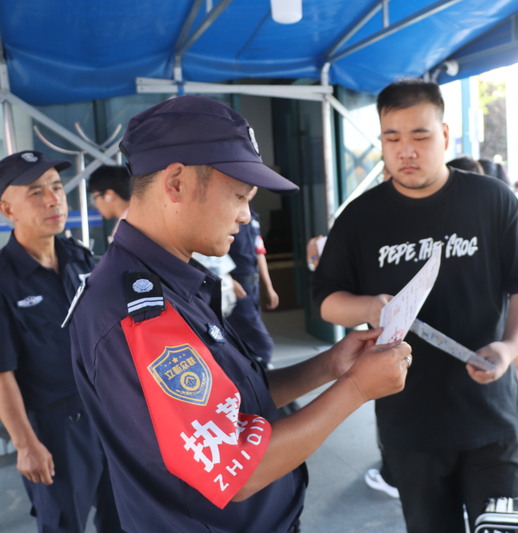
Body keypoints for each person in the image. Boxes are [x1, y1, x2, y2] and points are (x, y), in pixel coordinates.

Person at [68, 95, 412, 533]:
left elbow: (231, 403)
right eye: (239, 196)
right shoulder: (138, 313)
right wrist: (356, 389)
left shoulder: (172, 278)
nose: (248, 216)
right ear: (176, 183)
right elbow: (238, 470)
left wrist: (330, 364)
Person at [312, 79, 518, 532]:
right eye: (392, 138)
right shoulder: (360, 218)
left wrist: (509, 344)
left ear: (444, 136)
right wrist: (369, 306)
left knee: (502, 527)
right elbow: (327, 302)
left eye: (420, 136)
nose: (406, 151)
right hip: (409, 422)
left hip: (491, 415)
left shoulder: (492, 200)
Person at [0, 150, 122, 533]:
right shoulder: (5, 280)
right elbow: (2, 373)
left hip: (107, 415)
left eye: (56, 187)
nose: (53, 199)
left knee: (122, 516)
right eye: (36, 192)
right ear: (7, 209)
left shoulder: (81, 259)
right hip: (53, 429)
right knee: (63, 522)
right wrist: (25, 444)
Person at [226, 206, 279, 368]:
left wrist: (268, 287)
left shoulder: (252, 216)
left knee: (246, 334)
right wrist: (226, 279)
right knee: (261, 342)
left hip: (252, 282)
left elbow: (259, 252)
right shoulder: (226, 211)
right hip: (234, 282)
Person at [87, 164, 131, 237]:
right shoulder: (139, 216)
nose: (96, 205)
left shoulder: (125, 229)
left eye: (95, 198)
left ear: (109, 195)